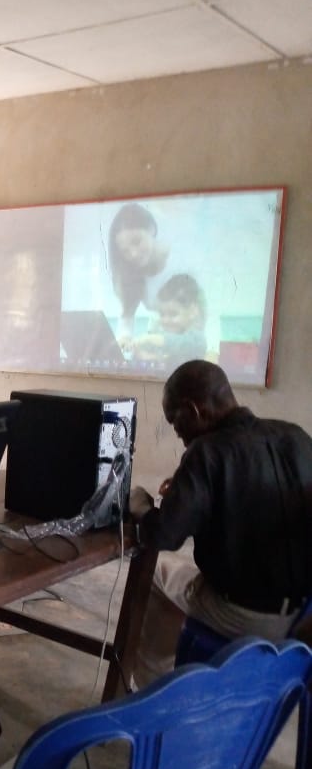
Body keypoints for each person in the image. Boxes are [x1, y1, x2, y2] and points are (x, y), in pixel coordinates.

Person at [128, 359, 312, 688]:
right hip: (302, 614)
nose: (176, 431)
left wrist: (140, 503)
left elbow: (163, 535)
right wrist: (192, 492)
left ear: (193, 411)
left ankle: (150, 689)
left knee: (155, 571)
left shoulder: (207, 453)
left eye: (174, 421)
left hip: (243, 614)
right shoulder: (295, 437)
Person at [108, 202, 170, 342]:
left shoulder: (179, 261)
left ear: (151, 229)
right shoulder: (132, 274)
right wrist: (125, 338)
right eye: (125, 251)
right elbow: (126, 317)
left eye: (137, 241)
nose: (133, 254)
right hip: (160, 349)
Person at [128, 273, 207, 369]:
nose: (165, 320)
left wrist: (153, 339)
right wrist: (141, 354)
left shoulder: (197, 340)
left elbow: (179, 344)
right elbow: (163, 361)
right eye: (162, 314)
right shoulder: (161, 337)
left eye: (173, 314)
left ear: (193, 311)